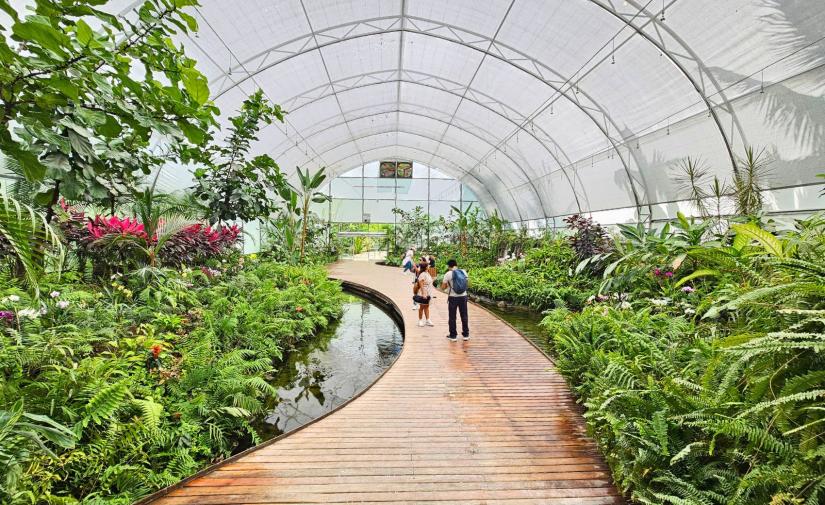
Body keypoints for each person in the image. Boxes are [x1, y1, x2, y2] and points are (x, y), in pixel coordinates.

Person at [441, 259, 469, 341]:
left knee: (452, 317)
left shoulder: (448, 274)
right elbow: (467, 283)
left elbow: (443, 287)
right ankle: (466, 335)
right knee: (464, 316)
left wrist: (448, 286)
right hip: (463, 296)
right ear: (456, 265)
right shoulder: (463, 272)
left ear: (449, 266)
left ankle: (453, 336)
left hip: (453, 297)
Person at [415, 261, 434, 327]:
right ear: (426, 267)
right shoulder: (422, 274)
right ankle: (420, 320)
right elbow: (421, 284)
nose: (429, 266)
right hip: (424, 292)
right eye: (428, 265)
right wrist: (424, 293)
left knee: (427, 306)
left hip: (428, 292)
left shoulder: (427, 273)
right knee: (422, 307)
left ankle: (427, 320)